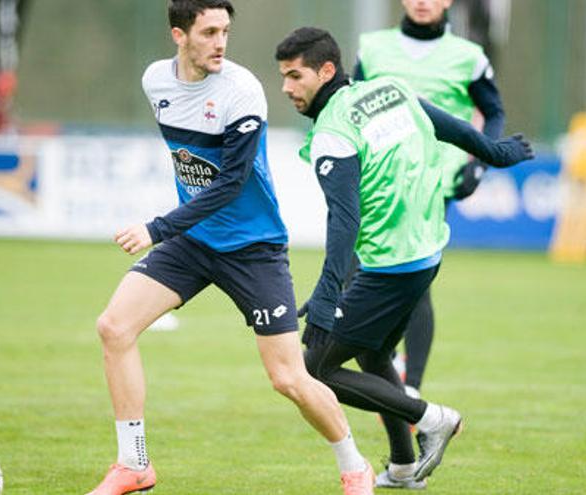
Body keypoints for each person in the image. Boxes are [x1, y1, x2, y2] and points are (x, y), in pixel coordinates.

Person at [85, 2, 375, 494]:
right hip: (194, 241)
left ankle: (355, 466)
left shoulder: (241, 91)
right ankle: (133, 464)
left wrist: (158, 227)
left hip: (252, 248)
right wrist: (173, 230)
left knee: (288, 377)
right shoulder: (156, 80)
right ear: (180, 35)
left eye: (226, 31)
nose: (221, 42)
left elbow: (232, 182)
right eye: (209, 31)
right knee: (114, 327)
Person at [275, 27, 531, 489]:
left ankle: (432, 418)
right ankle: (404, 466)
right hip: (426, 251)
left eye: (296, 76)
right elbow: (445, 124)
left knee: (316, 367)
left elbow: (343, 220)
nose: (287, 88)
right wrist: (496, 151)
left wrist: (327, 293)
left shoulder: (334, 131)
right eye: (283, 78)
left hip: (390, 266)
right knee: (374, 354)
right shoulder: (389, 89)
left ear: (327, 71)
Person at [354, 0, 507, 413]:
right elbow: (348, 106)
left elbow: (494, 114)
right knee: (364, 273)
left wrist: (480, 162)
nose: (423, 1)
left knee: (415, 278)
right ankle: (385, 365)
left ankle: (411, 387)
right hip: (377, 182)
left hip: (433, 184)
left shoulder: (469, 57)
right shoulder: (373, 48)